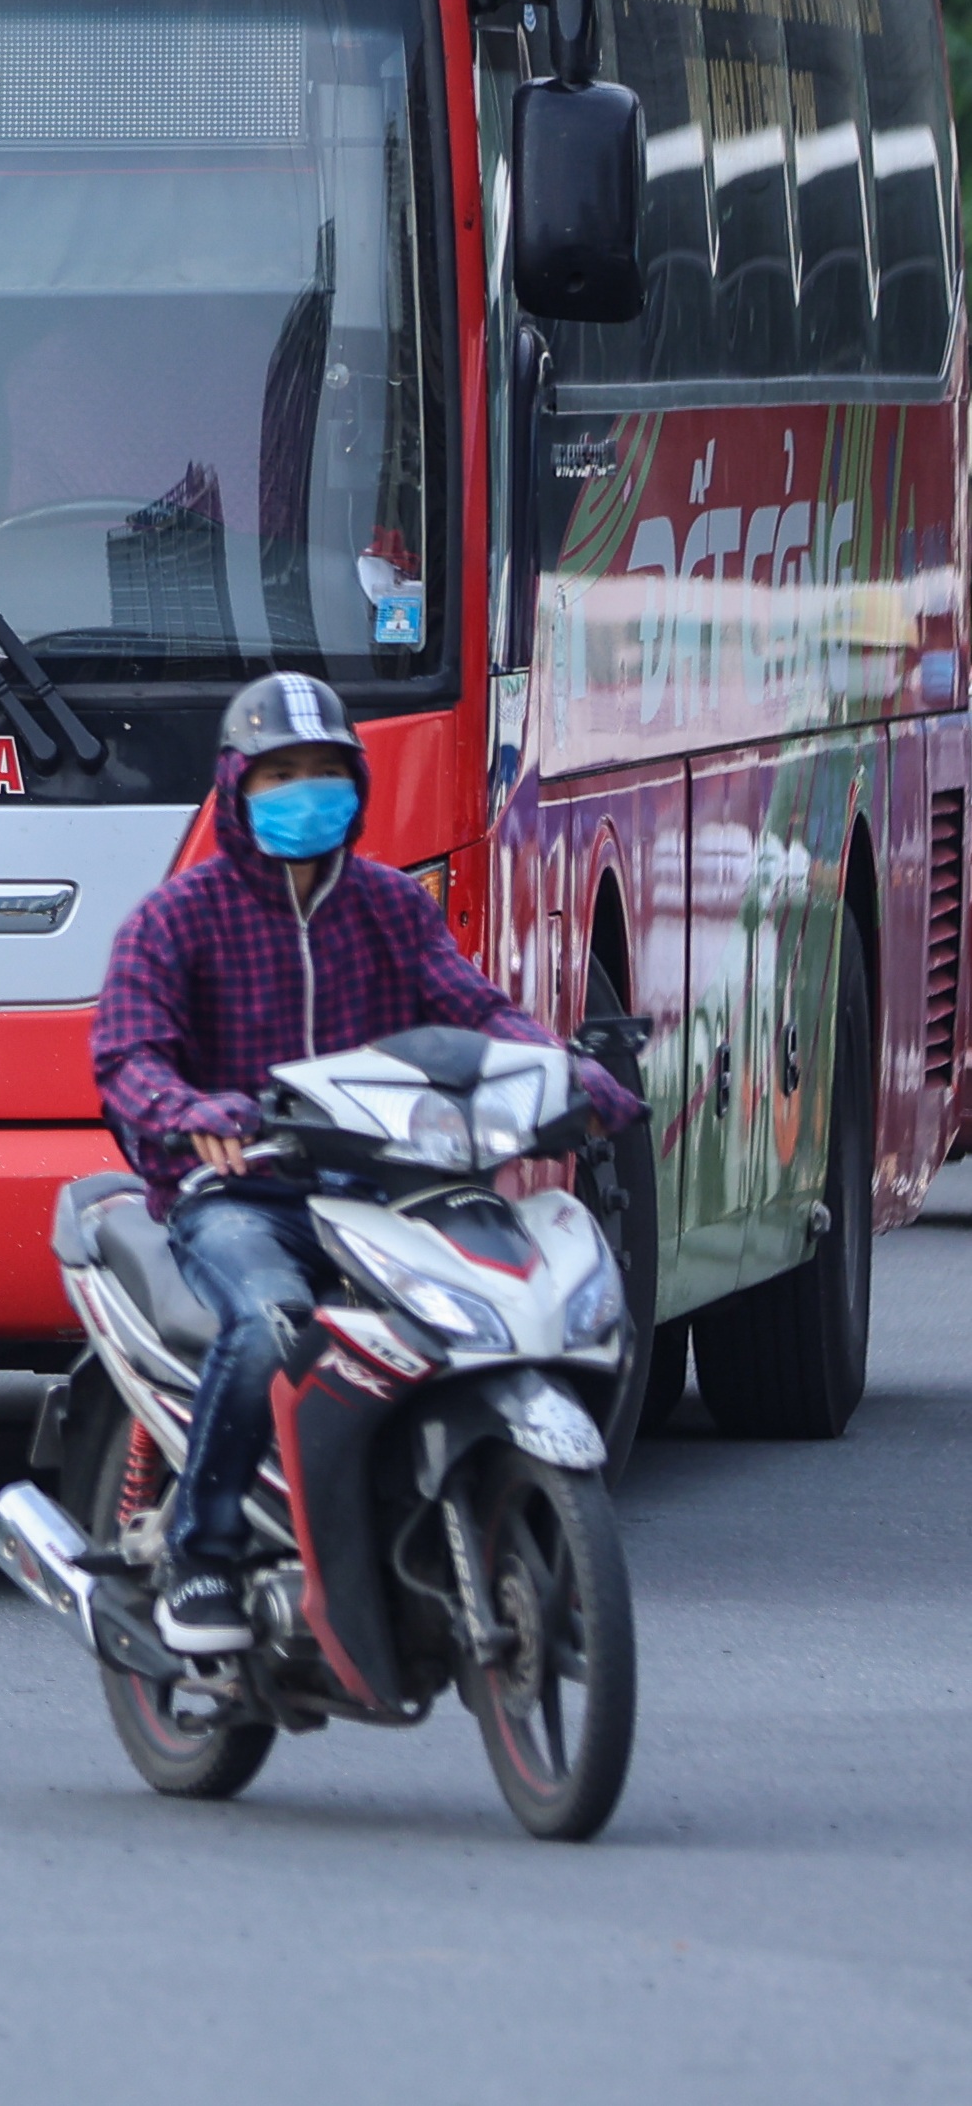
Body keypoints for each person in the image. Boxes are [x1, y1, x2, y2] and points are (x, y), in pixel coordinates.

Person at [91, 671, 642, 1658]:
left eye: (326, 772)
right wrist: (196, 1115)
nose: (307, 792)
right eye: (280, 773)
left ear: (358, 784)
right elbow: (129, 1060)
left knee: (500, 1314)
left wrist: (562, 1077)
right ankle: (203, 1547)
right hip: (241, 1199)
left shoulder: (390, 907)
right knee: (270, 1326)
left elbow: (476, 1011)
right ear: (235, 786)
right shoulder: (176, 919)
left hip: (389, 1192)